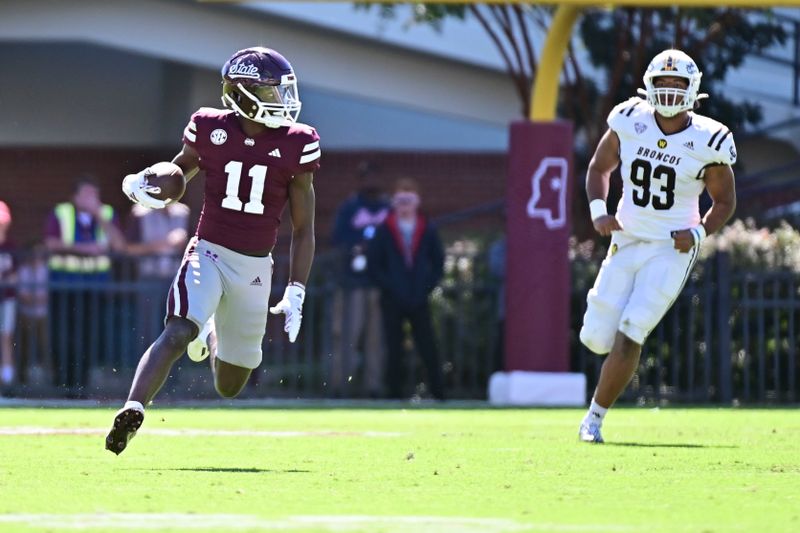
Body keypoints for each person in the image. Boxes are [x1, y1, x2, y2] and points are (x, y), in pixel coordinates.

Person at [106, 47, 320, 455]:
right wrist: (150, 184)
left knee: (229, 384)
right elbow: (180, 171)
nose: (283, 101)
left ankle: (212, 331)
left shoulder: (299, 143)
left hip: (256, 267)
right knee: (177, 330)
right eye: (272, 92)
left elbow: (304, 227)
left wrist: (296, 287)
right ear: (242, 94)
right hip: (208, 252)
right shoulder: (209, 127)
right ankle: (133, 407)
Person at [578, 49, 737, 443]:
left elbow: (725, 201)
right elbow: (599, 168)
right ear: (648, 85)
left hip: (671, 247)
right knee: (595, 337)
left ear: (692, 89)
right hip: (627, 237)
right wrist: (599, 211)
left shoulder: (709, 139)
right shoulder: (629, 120)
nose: (668, 90)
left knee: (634, 328)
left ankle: (594, 419)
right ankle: (600, 391)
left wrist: (699, 233)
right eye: (662, 83)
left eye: (677, 83)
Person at [44, 177, 126, 394]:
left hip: (95, 287)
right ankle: (62, 384)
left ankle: (83, 385)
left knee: (90, 337)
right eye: (86, 195)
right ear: (75, 197)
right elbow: (51, 243)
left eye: (94, 195)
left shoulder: (107, 214)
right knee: (63, 337)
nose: (91, 200)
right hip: (64, 285)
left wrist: (99, 216)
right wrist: (85, 249)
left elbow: (119, 245)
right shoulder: (61, 212)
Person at [367, 178, 445, 401]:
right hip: (392, 298)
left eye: (408, 200)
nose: (404, 206)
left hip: (419, 298)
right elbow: (374, 265)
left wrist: (426, 287)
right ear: (394, 203)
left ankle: (438, 393)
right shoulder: (385, 229)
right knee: (394, 348)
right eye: (400, 201)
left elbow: (438, 262)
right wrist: (390, 287)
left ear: (417, 202)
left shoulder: (427, 228)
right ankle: (393, 394)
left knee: (428, 346)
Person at [329, 162, 389, 397]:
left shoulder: (388, 208)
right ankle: (339, 384)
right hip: (352, 283)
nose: (371, 182)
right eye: (367, 177)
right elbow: (338, 239)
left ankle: (373, 386)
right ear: (360, 180)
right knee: (346, 337)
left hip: (379, 284)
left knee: (376, 340)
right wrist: (358, 246)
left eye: (375, 176)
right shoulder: (350, 208)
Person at [16, 242, 51, 387]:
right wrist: (35, 298)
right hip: (26, 315)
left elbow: (46, 295)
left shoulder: (45, 270)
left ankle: (50, 381)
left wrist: (33, 298)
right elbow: (23, 295)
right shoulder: (23, 270)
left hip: (42, 315)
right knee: (23, 348)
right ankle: (22, 380)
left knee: (45, 347)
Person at [0, 201, 16, 389]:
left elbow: (15, 274)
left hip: (7, 299)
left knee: (6, 336)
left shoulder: (11, 246)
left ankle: (7, 381)